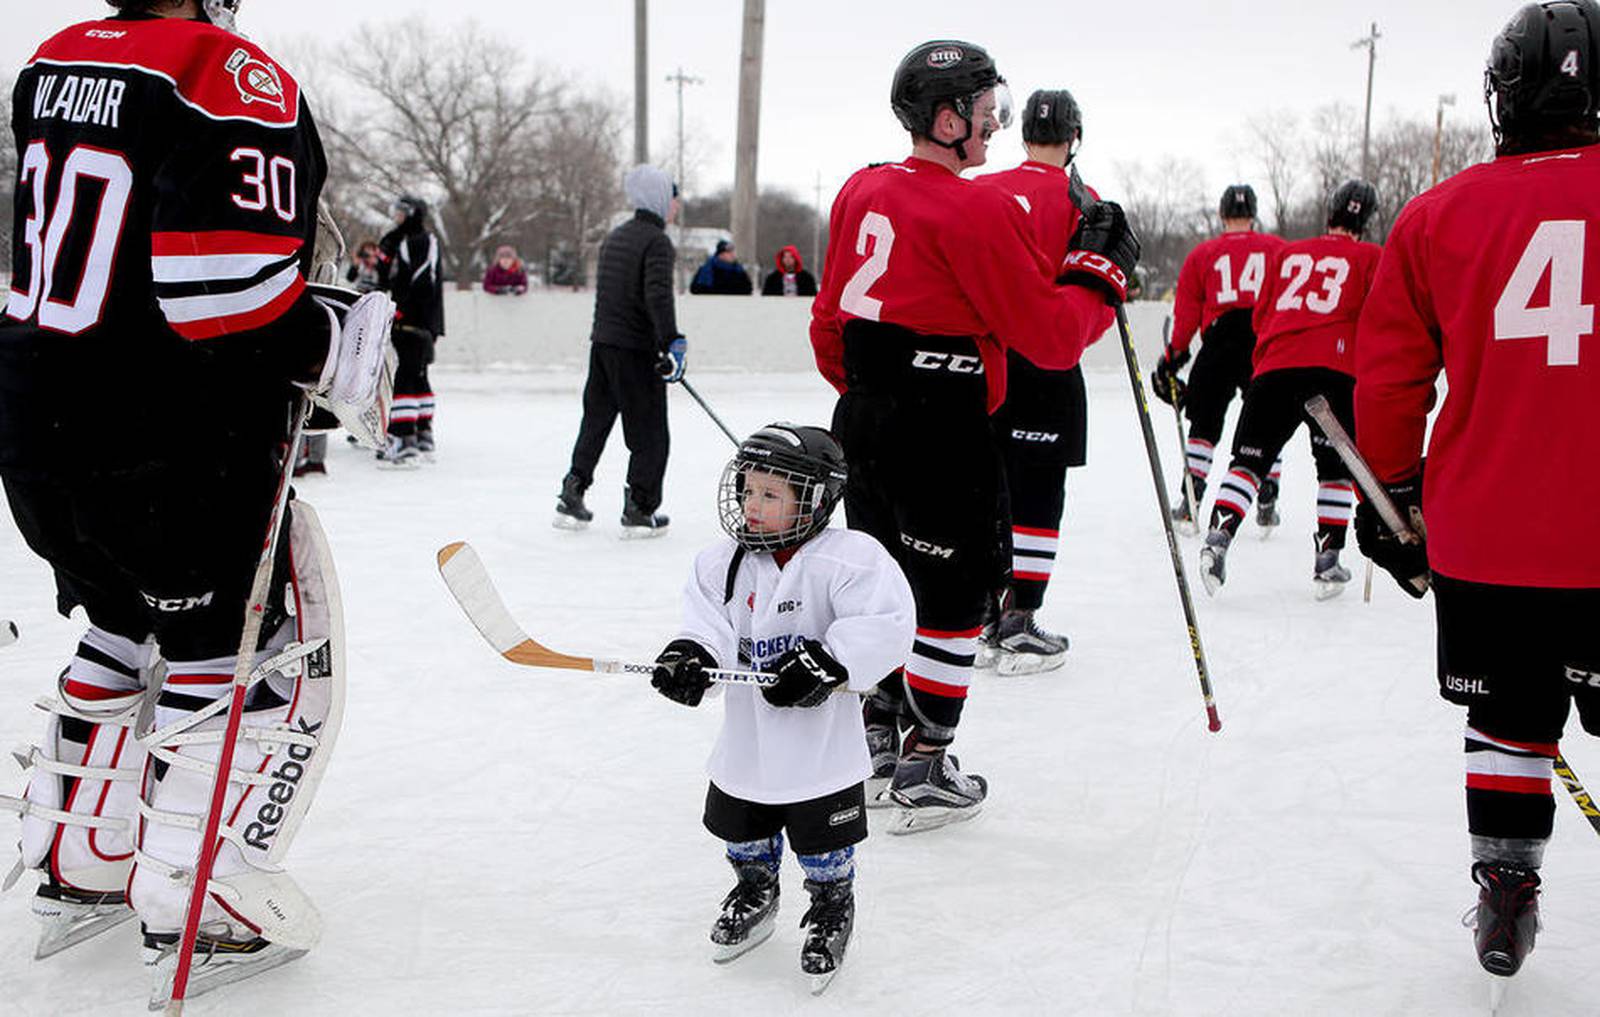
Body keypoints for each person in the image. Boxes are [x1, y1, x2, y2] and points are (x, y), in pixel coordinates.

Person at [0, 0, 391, 1006]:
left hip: (36, 415)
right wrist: (330, 338)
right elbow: (220, 292)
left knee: (117, 629)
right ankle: (193, 893)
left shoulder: (54, 59)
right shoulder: (224, 71)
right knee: (222, 651)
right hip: (161, 435)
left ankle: (78, 854)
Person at [810, 40, 1138, 831]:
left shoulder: (859, 189)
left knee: (884, 584)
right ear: (947, 118)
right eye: (985, 113)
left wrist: (870, 398)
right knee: (953, 595)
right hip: (943, 426)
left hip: (864, 418)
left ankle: (880, 736)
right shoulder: (974, 207)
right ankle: (927, 758)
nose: (995, 126)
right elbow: (1051, 340)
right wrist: (1099, 274)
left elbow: (828, 324)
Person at [1354, 0, 1600, 981]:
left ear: (1500, 96)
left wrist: (1397, 498)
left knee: (1506, 720)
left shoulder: (1435, 215)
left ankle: (1504, 893)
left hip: (1487, 539)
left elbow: (1387, 384)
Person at [648, 424, 914, 990]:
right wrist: (690, 656)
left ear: (815, 500)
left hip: (822, 751)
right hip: (748, 741)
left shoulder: (850, 558)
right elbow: (707, 626)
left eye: (771, 495)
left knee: (824, 843)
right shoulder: (721, 563)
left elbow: (888, 624)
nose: (753, 505)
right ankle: (755, 888)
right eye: (748, 490)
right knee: (740, 828)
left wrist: (832, 661)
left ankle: (830, 905)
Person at [973, 87, 1115, 675]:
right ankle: (1021, 618)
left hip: (982, 367)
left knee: (987, 491)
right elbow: (1096, 306)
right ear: (1075, 136)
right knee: (1037, 497)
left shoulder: (980, 190)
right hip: (1048, 366)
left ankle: (982, 614)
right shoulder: (1087, 201)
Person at [1195, 179, 1382, 600]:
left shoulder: (1289, 253)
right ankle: (1328, 559)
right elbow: (1379, 318)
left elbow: (1262, 315)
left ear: (1329, 213)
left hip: (1276, 367)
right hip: (1334, 370)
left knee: (1247, 462)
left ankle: (1218, 538)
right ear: (1365, 223)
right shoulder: (1372, 257)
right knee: (1334, 469)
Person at [555, 164, 685, 535]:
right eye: (673, 198)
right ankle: (640, 509)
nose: (675, 205)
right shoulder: (656, 241)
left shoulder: (616, 237)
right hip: (634, 351)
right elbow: (656, 296)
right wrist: (670, 342)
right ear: (660, 198)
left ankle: (572, 493)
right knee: (649, 433)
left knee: (595, 422)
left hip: (604, 346)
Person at [1152, 185, 1288, 534]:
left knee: (1205, 420)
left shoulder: (1203, 254)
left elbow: (1185, 319)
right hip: (1264, 338)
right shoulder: (1278, 250)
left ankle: (1192, 497)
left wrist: (1172, 358)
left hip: (1220, 338)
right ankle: (1267, 491)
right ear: (1254, 214)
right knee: (1267, 420)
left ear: (1222, 214)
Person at [378, 194, 445, 462]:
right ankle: (422, 432)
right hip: (422, 320)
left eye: (401, 212)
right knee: (417, 373)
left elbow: (418, 281)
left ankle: (403, 437)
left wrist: (402, 310)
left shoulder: (418, 241)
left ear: (412, 213)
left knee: (405, 374)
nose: (396, 217)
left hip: (412, 319)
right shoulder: (408, 240)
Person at [691, 239, 755, 295]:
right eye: (728, 252)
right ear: (720, 254)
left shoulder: (738, 270)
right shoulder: (707, 270)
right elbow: (697, 289)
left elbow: (748, 289)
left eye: (732, 251)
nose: (732, 254)